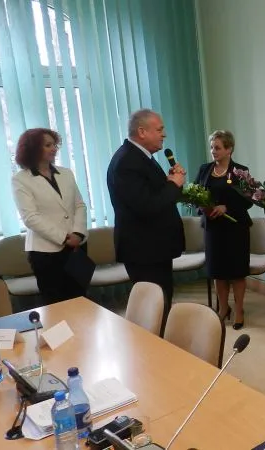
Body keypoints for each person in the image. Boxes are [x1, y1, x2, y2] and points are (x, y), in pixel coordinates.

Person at [107, 109, 185, 336]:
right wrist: (173, 185)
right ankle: (155, 351)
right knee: (153, 309)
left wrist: (171, 182)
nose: (164, 135)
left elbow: (155, 196)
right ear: (142, 132)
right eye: (159, 130)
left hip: (154, 247)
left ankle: (162, 347)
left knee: (162, 303)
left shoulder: (141, 157)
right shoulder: (127, 161)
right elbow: (147, 206)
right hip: (144, 249)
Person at [12, 128, 89, 305]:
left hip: (76, 246)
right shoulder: (20, 179)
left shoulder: (66, 173)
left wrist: (78, 233)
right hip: (46, 252)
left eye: (54, 144)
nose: (54, 148)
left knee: (81, 300)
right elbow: (30, 217)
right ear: (33, 149)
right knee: (56, 304)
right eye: (48, 145)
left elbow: (79, 205)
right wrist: (64, 238)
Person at [194, 130, 253, 329]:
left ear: (229, 149)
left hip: (235, 229)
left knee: (236, 272)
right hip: (213, 229)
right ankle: (223, 308)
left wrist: (227, 207)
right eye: (212, 147)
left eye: (217, 148)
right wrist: (203, 207)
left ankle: (239, 310)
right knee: (217, 271)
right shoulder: (204, 170)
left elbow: (249, 200)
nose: (213, 151)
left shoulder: (240, 171)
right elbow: (194, 195)